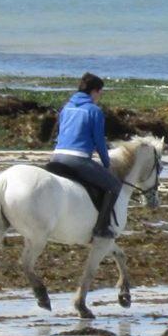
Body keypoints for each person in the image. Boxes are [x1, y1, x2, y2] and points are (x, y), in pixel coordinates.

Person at [51, 72, 121, 239]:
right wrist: (106, 163)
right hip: (77, 159)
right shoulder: (94, 111)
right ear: (95, 91)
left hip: (57, 156)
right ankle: (101, 227)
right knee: (113, 186)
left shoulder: (66, 107)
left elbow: (59, 133)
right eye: (101, 92)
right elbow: (99, 141)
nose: (101, 95)